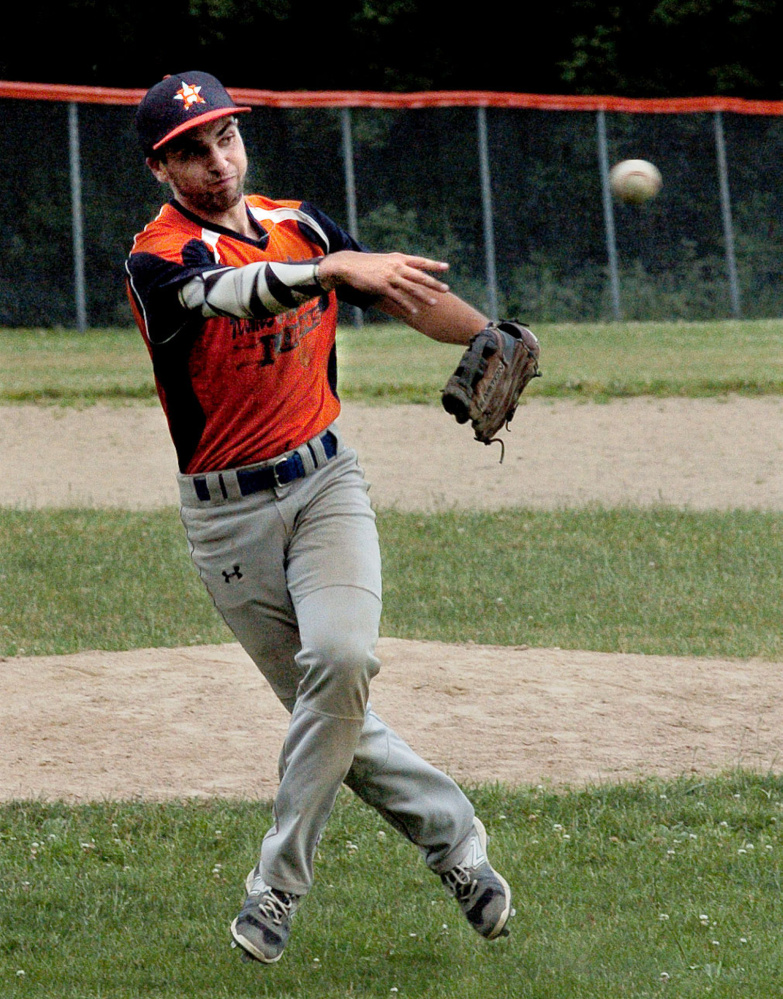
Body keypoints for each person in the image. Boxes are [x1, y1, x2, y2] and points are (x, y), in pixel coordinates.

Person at [125, 70, 513, 965]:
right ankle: (457, 844)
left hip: (325, 484)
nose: (215, 162)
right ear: (161, 169)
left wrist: (486, 331)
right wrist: (331, 268)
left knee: (339, 660)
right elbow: (236, 294)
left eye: (223, 138)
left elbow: (400, 291)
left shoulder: (300, 222)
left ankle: (276, 889)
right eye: (190, 151)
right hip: (226, 522)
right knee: (327, 705)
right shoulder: (159, 258)